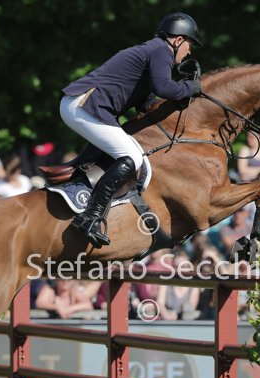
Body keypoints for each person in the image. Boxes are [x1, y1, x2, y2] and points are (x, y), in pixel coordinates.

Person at [60, 12, 203, 248]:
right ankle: (89, 217)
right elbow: (164, 87)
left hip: (82, 105)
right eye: (190, 45)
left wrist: (179, 101)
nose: (189, 52)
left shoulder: (153, 50)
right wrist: (192, 87)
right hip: (84, 105)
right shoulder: (161, 50)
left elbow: (148, 104)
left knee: (125, 152)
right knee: (132, 157)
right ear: (178, 40)